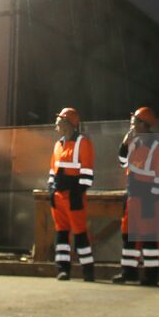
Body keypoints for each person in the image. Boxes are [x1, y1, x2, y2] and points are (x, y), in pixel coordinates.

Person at [114, 106, 159, 286]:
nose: (131, 125)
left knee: (149, 236)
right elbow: (122, 163)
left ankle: (151, 276)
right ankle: (128, 272)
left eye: (135, 122)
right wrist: (124, 144)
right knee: (129, 235)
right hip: (132, 195)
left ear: (144, 125)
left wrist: (153, 200)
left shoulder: (155, 147)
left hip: (147, 198)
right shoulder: (134, 142)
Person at [47, 106, 95, 281]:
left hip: (73, 197)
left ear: (67, 123)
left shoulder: (83, 143)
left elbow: (88, 173)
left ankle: (88, 271)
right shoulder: (58, 144)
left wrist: (77, 193)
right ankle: (63, 269)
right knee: (61, 233)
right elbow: (53, 170)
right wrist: (51, 189)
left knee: (80, 233)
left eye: (58, 122)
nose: (56, 125)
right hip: (58, 196)